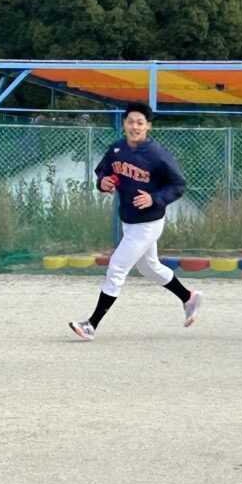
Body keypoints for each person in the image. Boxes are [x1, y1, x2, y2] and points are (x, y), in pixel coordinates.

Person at [70, 102, 202, 340]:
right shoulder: (117, 149)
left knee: (117, 267)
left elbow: (178, 184)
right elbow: (103, 171)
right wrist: (102, 182)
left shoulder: (157, 153)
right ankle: (188, 297)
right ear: (124, 123)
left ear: (148, 126)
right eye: (131, 121)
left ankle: (91, 324)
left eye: (140, 122)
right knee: (149, 268)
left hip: (149, 223)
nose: (135, 126)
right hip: (129, 221)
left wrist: (154, 198)